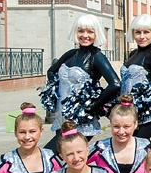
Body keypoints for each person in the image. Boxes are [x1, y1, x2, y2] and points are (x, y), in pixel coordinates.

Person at [44, 14, 121, 149]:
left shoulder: (97, 57)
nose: (85, 35)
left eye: (90, 32)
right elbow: (51, 71)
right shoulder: (71, 54)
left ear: (96, 34)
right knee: (63, 160)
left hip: (81, 123)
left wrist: (93, 105)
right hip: (62, 118)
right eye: (81, 31)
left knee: (50, 154)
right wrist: (55, 92)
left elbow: (115, 84)